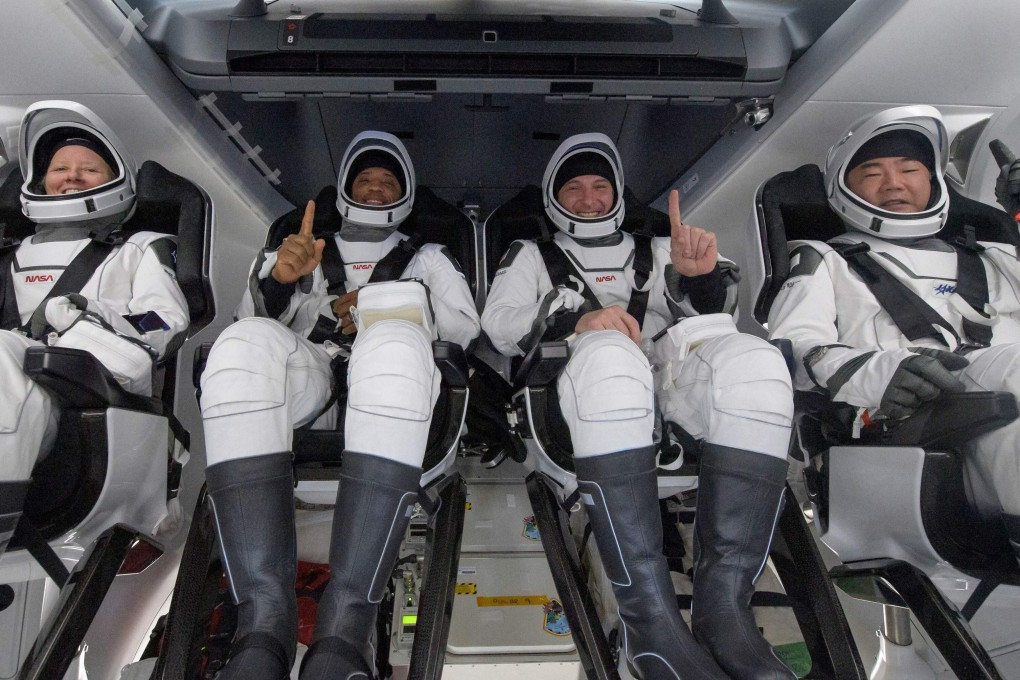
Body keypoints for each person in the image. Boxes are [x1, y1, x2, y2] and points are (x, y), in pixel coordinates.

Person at [481, 133, 795, 680]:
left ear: (617, 193)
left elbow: (717, 315)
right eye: (573, 188)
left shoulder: (657, 248)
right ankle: (649, 626)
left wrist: (701, 281)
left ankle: (724, 613)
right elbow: (500, 324)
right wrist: (575, 321)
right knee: (608, 353)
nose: (588, 198)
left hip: (670, 390)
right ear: (555, 198)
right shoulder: (531, 255)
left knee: (754, 360)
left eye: (600, 186)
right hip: (580, 393)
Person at [199, 131, 480, 680]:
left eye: (388, 183)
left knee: (393, 341)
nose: (375, 191)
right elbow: (253, 320)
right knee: (240, 346)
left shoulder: (428, 258)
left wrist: (391, 305)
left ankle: (344, 639)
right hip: (314, 382)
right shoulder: (303, 248)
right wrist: (280, 279)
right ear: (347, 189)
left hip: (394, 391)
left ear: (405, 195)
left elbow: (466, 330)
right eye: (365, 181)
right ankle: (262, 629)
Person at [767, 104, 1020, 565]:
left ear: (933, 181)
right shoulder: (825, 259)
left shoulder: (999, 256)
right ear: (843, 187)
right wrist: (884, 372)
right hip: (908, 422)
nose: (895, 183)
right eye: (873, 172)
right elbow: (794, 350)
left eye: (909, 169)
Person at [0, 100, 189, 560]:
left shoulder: (139, 249)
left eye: (89, 169)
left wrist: (88, 317)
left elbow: (161, 322)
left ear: (115, 181)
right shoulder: (8, 258)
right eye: (60, 167)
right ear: (38, 182)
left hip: (88, 400)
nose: (72, 176)